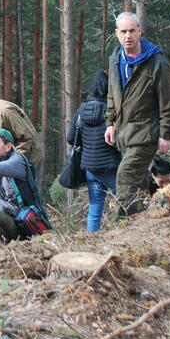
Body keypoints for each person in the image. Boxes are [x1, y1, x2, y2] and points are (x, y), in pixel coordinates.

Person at [105, 12, 170, 216]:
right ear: (117, 34)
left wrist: (166, 134)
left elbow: (168, 100)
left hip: (146, 132)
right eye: (123, 31)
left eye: (132, 31)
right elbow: (112, 94)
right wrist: (110, 123)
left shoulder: (157, 62)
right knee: (138, 183)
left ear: (140, 31)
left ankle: (122, 222)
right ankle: (143, 221)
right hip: (123, 133)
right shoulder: (115, 59)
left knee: (125, 175)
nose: (128, 35)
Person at [66, 71, 121, 232]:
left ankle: (91, 242)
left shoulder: (82, 110)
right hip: (110, 167)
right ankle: (123, 234)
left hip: (90, 168)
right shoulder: (113, 111)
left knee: (95, 208)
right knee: (127, 200)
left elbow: (71, 138)